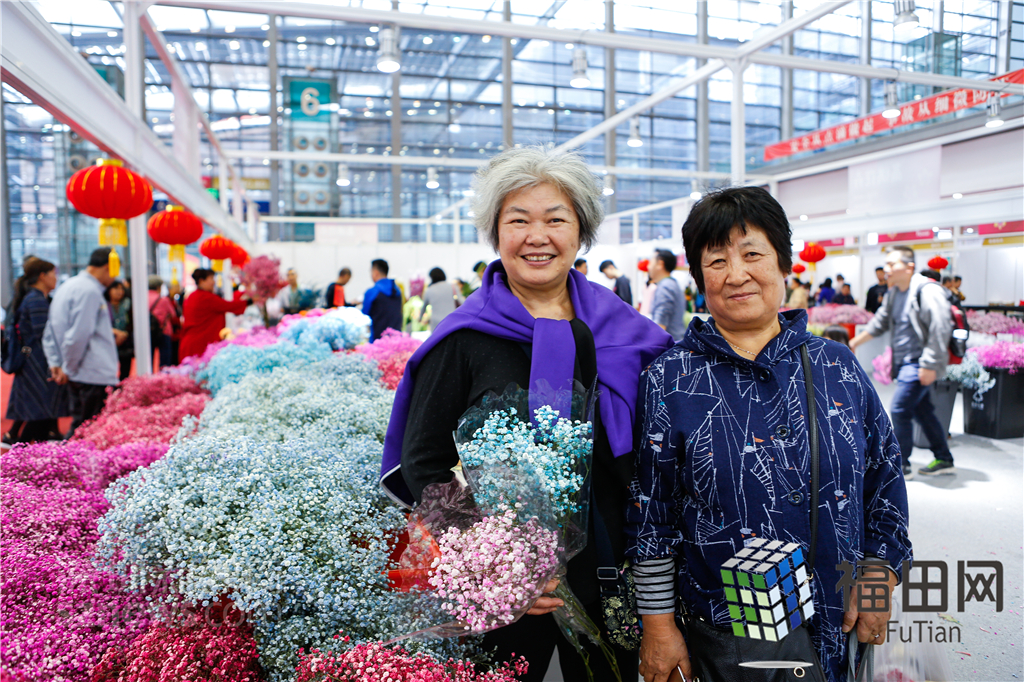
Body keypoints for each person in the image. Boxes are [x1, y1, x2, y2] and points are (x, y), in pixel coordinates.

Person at [380, 146, 674, 682]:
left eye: (555, 219)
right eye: (519, 220)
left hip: (616, 568)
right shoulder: (466, 337)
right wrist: (491, 559)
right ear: (496, 233)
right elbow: (422, 460)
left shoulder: (621, 327)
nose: (537, 236)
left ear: (581, 232)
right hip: (512, 590)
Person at [629, 186, 911, 682]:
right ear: (699, 279)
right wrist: (658, 626)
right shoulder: (671, 378)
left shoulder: (836, 366)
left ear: (784, 264)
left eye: (752, 254)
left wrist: (878, 579)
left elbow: (883, 478)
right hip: (731, 634)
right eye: (716, 261)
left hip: (837, 621)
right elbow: (651, 513)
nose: (736, 274)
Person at [851, 246, 955, 478]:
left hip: (919, 362)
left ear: (909, 267)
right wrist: (855, 341)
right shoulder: (895, 293)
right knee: (922, 411)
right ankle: (944, 458)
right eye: (886, 263)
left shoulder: (928, 290)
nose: (886, 268)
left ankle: (901, 464)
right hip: (905, 362)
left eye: (892, 264)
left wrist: (930, 364)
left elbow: (940, 327)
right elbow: (880, 322)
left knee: (898, 409)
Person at [42, 247, 120, 437]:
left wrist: (56, 363)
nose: (114, 279)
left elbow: (50, 331)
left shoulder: (68, 285)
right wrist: (68, 368)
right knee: (86, 432)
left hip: (80, 371)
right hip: (90, 372)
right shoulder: (89, 291)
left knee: (81, 428)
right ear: (107, 267)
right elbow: (78, 335)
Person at [3, 258, 67, 443]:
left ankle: (27, 453)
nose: (56, 278)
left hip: (32, 361)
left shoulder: (33, 298)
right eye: (53, 273)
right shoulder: (36, 300)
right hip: (38, 363)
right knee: (40, 415)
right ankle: (22, 453)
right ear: (42, 276)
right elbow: (43, 335)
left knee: (40, 415)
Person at [178, 268, 248, 362]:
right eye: (211, 279)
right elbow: (229, 306)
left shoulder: (191, 296)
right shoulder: (206, 297)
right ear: (201, 281)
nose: (214, 282)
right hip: (199, 345)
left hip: (189, 344)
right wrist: (250, 300)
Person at [649, 249, 686, 341]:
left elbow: (660, 325)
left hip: (668, 345)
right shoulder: (672, 284)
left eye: (651, 263)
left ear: (660, 264)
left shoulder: (665, 286)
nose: (648, 267)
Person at [362, 259, 403, 342]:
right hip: (396, 341)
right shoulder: (397, 291)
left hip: (377, 343)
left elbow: (364, 318)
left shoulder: (372, 292)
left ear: (376, 273)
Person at [148, 276, 180, 369]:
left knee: (148, 359)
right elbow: (173, 314)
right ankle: (163, 376)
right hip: (163, 330)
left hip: (147, 332)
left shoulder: (141, 299)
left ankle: (147, 376)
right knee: (165, 361)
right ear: (159, 287)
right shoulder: (163, 299)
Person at [105, 280, 133, 380]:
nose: (119, 291)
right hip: (108, 341)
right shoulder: (103, 305)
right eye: (116, 288)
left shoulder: (127, 304)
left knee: (125, 370)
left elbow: (132, 323)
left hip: (125, 342)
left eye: (121, 289)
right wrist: (115, 333)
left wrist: (124, 334)